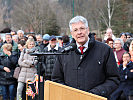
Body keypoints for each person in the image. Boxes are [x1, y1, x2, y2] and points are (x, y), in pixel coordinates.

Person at [52, 16, 120, 99]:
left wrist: (93, 94)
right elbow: (57, 80)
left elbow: (113, 79)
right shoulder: (64, 53)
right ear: (72, 34)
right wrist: (69, 94)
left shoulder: (105, 50)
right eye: (75, 30)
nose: (79, 32)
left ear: (88, 30)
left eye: (82, 28)